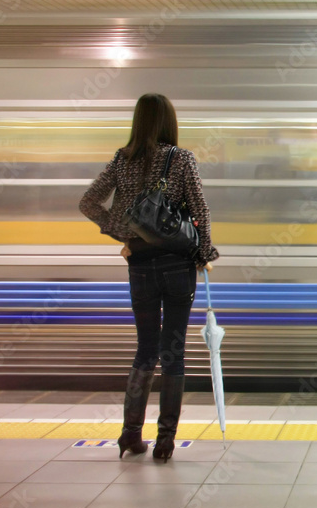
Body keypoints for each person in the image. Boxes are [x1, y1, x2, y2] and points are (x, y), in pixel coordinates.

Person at [79, 94, 219, 461]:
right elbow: (200, 210)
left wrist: (123, 234)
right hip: (177, 265)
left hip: (140, 266)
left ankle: (130, 436)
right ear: (169, 121)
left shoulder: (123, 159)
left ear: (138, 121)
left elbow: (89, 202)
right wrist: (205, 254)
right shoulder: (181, 158)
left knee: (145, 349)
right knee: (173, 353)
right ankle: (165, 442)